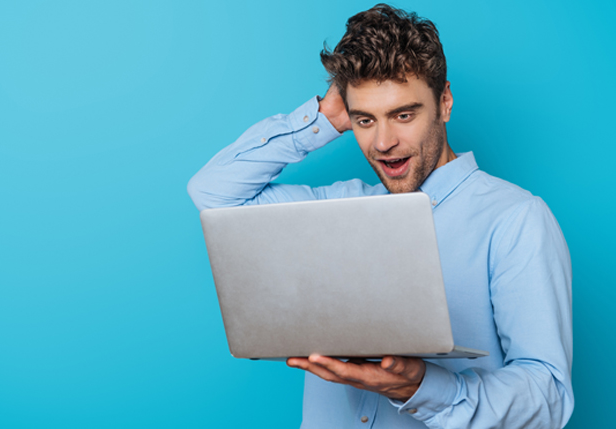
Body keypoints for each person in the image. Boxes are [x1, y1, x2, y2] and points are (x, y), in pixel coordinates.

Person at [187, 4, 573, 428]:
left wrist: (420, 387)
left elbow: (549, 396)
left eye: (403, 115)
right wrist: (322, 119)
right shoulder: (335, 209)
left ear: (444, 102)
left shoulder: (515, 219)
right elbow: (214, 194)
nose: (384, 142)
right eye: (365, 119)